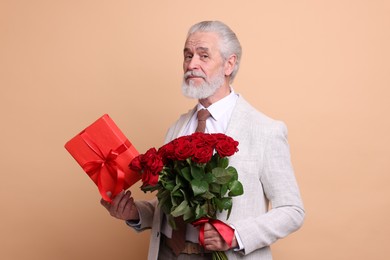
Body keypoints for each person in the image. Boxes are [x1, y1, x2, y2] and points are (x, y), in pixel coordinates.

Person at [101, 20, 305, 260]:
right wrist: (135, 213)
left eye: (203, 56)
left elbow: (292, 211)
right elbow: (171, 206)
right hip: (167, 254)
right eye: (187, 56)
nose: (191, 64)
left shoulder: (266, 130)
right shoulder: (177, 127)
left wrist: (236, 235)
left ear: (230, 63)